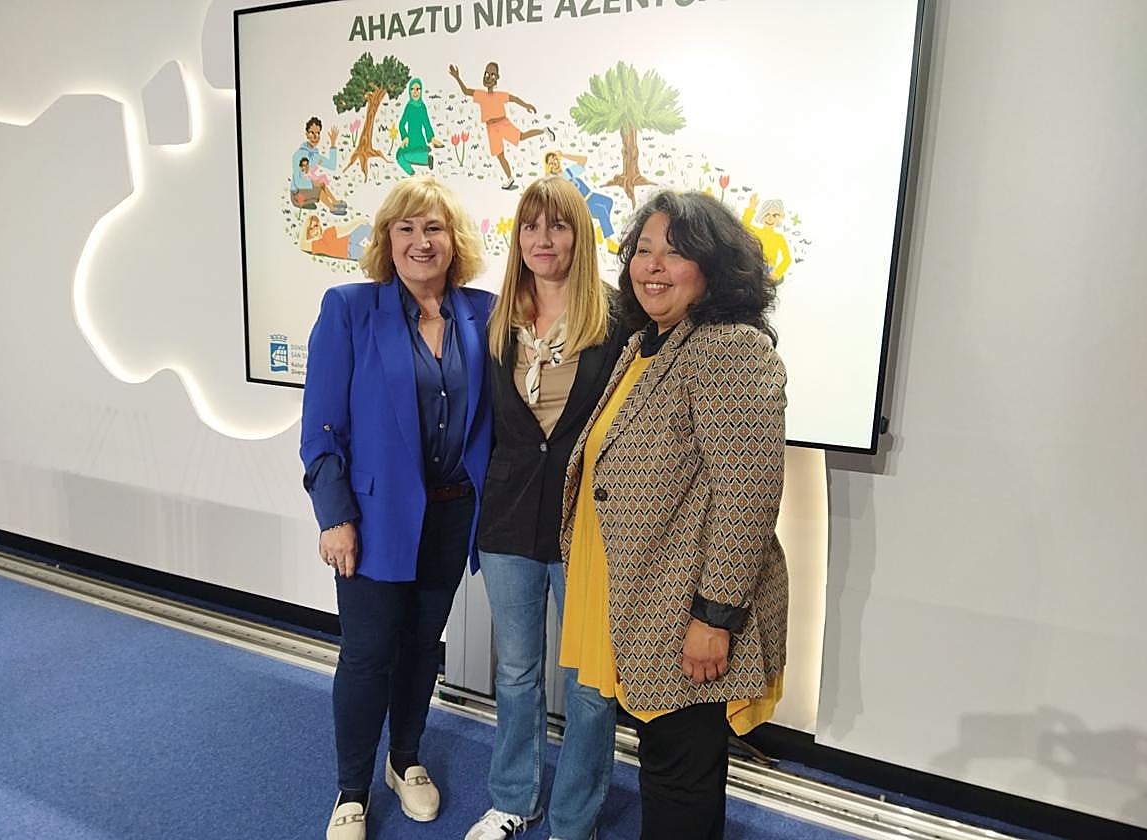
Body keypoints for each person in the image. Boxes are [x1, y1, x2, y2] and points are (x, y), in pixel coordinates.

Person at [559, 190, 788, 840]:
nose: (652, 266)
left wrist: (714, 618)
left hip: (687, 609)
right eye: (644, 250)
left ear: (714, 267)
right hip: (640, 599)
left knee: (677, 778)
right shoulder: (648, 344)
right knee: (668, 766)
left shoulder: (728, 350)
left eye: (676, 252)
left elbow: (747, 496)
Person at [300, 175, 495, 840]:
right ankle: (352, 790)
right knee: (367, 654)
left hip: (451, 515)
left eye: (433, 227)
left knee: (420, 648)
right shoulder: (350, 309)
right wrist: (335, 517)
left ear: (453, 239)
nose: (420, 241)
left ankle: (404, 759)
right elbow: (322, 428)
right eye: (405, 228)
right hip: (373, 520)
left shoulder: (483, 313)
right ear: (386, 239)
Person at [465, 177, 625, 840]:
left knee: (590, 684)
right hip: (508, 518)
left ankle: (573, 820)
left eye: (557, 226)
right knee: (516, 671)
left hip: (587, 523)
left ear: (579, 235)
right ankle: (512, 800)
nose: (543, 239)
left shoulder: (617, 317)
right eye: (530, 226)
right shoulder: (497, 318)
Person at [448, 61, 555, 190]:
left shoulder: (499, 95)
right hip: (491, 128)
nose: (488, 77)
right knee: (500, 155)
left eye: (492, 75)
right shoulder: (481, 95)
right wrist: (457, 77)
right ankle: (510, 178)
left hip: (502, 123)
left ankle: (544, 131)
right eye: (486, 74)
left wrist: (526, 105)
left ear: (497, 78)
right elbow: (466, 91)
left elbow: (514, 99)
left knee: (521, 136)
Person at [544, 150, 619, 253]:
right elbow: (546, 187)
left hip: (591, 196)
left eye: (555, 160)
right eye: (551, 163)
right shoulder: (556, 182)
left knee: (608, 202)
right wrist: (547, 171)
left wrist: (564, 155)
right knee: (602, 211)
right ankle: (610, 243)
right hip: (583, 203)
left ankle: (602, 228)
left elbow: (583, 160)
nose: (555, 164)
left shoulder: (568, 172)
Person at [292, 116, 346, 214]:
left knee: (322, 183)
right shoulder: (298, 155)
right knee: (318, 188)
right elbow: (298, 181)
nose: (315, 137)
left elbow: (332, 165)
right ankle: (332, 208)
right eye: (311, 133)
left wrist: (333, 144)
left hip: (308, 188)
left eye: (317, 133)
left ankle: (334, 202)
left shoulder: (315, 155)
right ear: (306, 134)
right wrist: (313, 183)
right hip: (297, 193)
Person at [396, 77, 445, 175]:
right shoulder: (409, 107)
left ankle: (425, 160)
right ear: (409, 91)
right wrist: (405, 136)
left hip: (419, 139)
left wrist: (431, 138)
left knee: (404, 156)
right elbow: (401, 124)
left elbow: (426, 124)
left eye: (418, 89)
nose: (415, 92)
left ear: (421, 91)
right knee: (399, 156)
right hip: (409, 139)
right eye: (412, 89)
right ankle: (417, 168)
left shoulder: (422, 107)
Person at [741, 195, 791, 283]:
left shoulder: (779, 237)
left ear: (780, 218)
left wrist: (777, 273)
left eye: (775, 215)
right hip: (753, 265)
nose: (770, 218)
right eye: (767, 214)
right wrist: (751, 208)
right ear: (762, 215)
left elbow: (787, 259)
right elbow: (744, 225)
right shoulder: (755, 231)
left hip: (768, 270)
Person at [298, 214, 373, 261]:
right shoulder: (317, 244)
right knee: (372, 254)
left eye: (316, 225)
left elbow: (345, 228)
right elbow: (302, 245)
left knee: (366, 227)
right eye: (311, 229)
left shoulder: (328, 231)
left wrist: (358, 221)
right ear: (307, 231)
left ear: (319, 224)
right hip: (348, 251)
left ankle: (376, 240)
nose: (315, 230)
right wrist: (306, 226)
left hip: (349, 239)